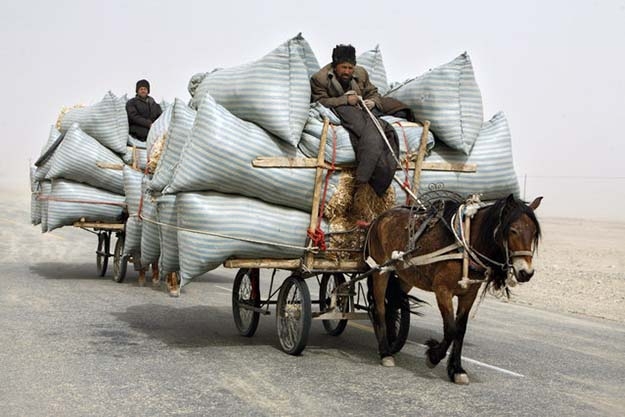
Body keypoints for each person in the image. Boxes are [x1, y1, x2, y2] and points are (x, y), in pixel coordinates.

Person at [310, 44, 413, 197]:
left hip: (364, 104)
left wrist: (372, 101)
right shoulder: (320, 78)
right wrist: (345, 100)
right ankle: (365, 177)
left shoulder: (361, 73)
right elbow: (321, 101)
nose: (347, 71)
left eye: (350, 68)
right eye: (343, 67)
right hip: (343, 107)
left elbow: (373, 92)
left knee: (398, 109)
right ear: (335, 66)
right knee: (372, 131)